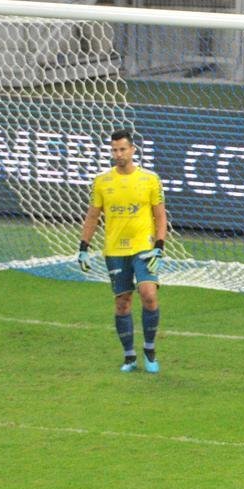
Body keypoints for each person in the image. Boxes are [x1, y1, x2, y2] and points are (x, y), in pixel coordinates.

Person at [78, 129, 167, 373]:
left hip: (143, 247)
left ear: (133, 150)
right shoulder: (102, 182)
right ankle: (129, 356)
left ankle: (149, 349)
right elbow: (93, 215)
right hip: (115, 250)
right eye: (114, 150)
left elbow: (160, 215)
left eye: (122, 149)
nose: (118, 154)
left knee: (148, 294)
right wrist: (84, 246)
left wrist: (159, 245)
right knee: (122, 303)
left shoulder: (150, 179)